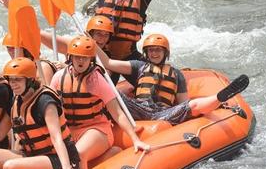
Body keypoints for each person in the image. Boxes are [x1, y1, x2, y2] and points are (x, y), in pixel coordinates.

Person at [0, 57, 80, 169]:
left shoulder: (45, 101)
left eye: (18, 79)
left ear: (30, 80)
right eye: (11, 80)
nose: (13, 84)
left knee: (11, 167)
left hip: (59, 160)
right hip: (33, 157)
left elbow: (57, 138)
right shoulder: (16, 101)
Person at [96, 33, 250, 124]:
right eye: (150, 51)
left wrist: (186, 113)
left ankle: (219, 98)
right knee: (111, 90)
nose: (154, 54)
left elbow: (184, 103)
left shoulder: (177, 74)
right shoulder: (138, 66)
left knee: (192, 105)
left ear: (165, 53)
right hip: (138, 107)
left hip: (163, 113)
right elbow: (107, 62)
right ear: (146, 53)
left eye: (158, 50)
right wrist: (90, 42)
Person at [50, 36, 148, 169]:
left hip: (97, 130)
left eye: (85, 57)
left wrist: (135, 140)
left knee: (78, 154)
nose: (81, 61)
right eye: (77, 57)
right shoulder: (59, 77)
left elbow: (117, 113)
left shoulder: (97, 80)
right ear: (70, 57)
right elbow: (51, 109)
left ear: (91, 59)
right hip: (70, 131)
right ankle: (109, 155)